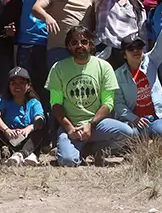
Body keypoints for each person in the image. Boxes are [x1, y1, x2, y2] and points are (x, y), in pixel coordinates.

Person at [47, 27, 132, 166]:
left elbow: (108, 103)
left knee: (128, 133)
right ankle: (75, 150)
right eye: (74, 43)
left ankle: (93, 149)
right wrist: (69, 127)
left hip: (97, 124)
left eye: (84, 41)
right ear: (68, 46)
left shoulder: (104, 67)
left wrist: (90, 125)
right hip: (71, 126)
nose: (79, 45)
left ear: (91, 44)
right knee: (68, 161)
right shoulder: (58, 68)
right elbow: (55, 103)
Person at [110, 36, 162, 140]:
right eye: (130, 48)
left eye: (139, 47)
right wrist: (134, 119)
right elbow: (118, 103)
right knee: (130, 136)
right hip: (133, 120)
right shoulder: (117, 75)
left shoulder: (151, 61)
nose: (135, 50)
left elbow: (161, 45)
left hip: (156, 117)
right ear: (124, 55)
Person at [0, 67, 47, 166]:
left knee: (39, 128)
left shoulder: (34, 102)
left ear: (28, 85)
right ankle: (25, 157)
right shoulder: (3, 101)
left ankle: (22, 155)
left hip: (27, 141)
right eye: (13, 83)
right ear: (9, 86)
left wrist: (28, 128)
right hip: (10, 139)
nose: (17, 86)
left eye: (21, 83)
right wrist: (7, 130)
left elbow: (40, 119)